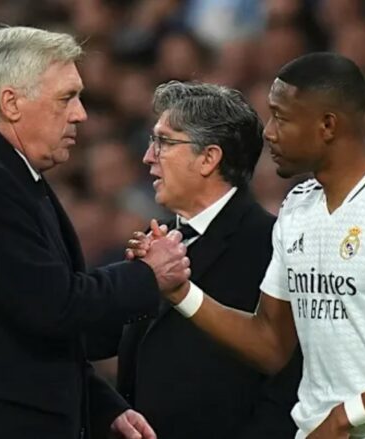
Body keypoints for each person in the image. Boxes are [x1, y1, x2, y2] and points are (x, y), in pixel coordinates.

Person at [129, 53, 365, 438]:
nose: (268, 132)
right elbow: (270, 343)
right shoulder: (297, 207)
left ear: (327, 125)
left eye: (281, 117)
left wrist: (345, 417)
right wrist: (180, 292)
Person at [0, 26, 190, 439]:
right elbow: (54, 306)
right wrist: (147, 275)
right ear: (11, 103)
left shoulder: (10, 176)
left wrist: (103, 407)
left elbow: (20, 330)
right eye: (66, 98)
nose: (80, 114)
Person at [93, 80, 300, 438]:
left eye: (164, 142)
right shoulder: (153, 239)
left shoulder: (270, 245)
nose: (148, 156)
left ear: (208, 158)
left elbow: (285, 387)